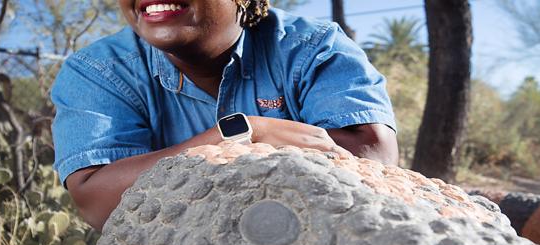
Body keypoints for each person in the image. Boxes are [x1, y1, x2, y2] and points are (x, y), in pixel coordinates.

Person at [51, 1, 399, 230]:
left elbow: (373, 157)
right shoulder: (99, 72)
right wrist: (235, 137)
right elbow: (98, 203)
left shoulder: (312, 48)